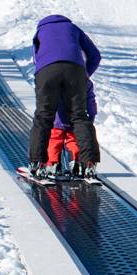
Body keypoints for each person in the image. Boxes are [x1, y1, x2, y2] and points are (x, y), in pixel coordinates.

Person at [25, 14, 99, 180]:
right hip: (75, 70)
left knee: (44, 116)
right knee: (79, 116)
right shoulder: (73, 28)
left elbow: (36, 58)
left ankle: (38, 164)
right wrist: (84, 76)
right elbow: (95, 55)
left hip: (47, 70)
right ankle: (88, 164)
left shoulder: (40, 32)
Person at [45, 80, 97, 176]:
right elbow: (90, 99)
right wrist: (92, 114)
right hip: (75, 119)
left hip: (57, 118)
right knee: (74, 141)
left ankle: (53, 164)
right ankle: (76, 161)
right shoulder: (85, 81)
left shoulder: (56, 78)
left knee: (54, 141)